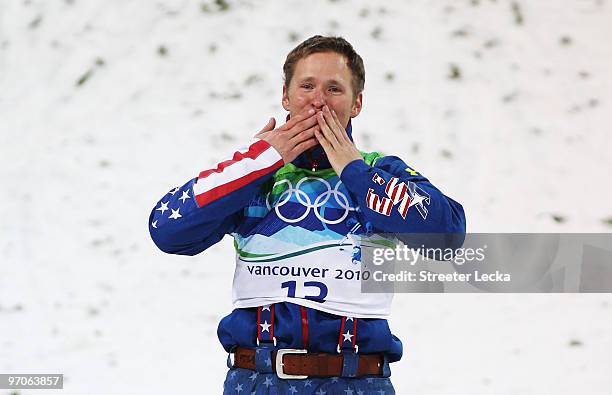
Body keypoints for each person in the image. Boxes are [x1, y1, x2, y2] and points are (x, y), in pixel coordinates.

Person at [149, 35, 466, 394]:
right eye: (307, 86)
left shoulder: (380, 171)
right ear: (285, 96)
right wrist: (257, 164)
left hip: (357, 381)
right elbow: (167, 230)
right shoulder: (254, 174)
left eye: (334, 88)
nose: (318, 100)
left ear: (356, 103)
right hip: (256, 379)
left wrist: (355, 173)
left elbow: (449, 234)